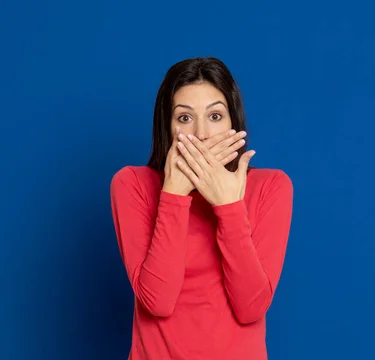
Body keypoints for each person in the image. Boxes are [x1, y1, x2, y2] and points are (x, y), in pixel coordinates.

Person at [109, 57, 294, 360]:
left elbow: (251, 308)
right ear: (166, 127)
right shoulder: (132, 184)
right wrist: (173, 194)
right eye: (184, 118)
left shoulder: (271, 186)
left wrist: (228, 206)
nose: (203, 134)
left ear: (234, 121)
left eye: (215, 116)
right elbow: (158, 301)